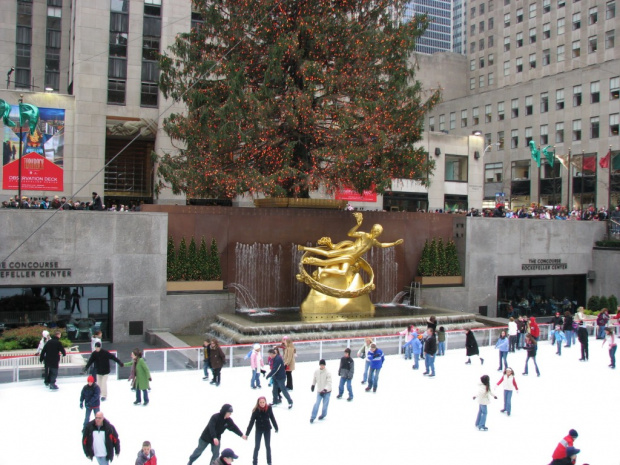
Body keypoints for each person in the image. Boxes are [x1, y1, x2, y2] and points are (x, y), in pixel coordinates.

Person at [298, 212, 403, 279]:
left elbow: (381, 245)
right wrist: (357, 225)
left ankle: (322, 270)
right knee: (328, 254)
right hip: (349, 251)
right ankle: (304, 248)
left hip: (352, 258)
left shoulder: (373, 242)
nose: (376, 233)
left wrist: (393, 244)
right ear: (372, 229)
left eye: (378, 232)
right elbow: (350, 234)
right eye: (376, 231)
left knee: (343, 272)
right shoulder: (363, 235)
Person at [245, 396, 278, 465]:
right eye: (260, 402)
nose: (262, 404)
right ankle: (254, 462)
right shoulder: (255, 411)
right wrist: (247, 433)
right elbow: (251, 422)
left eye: (263, 402)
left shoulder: (269, 408)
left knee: (268, 446)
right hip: (259, 430)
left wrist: (276, 427)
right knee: (257, 446)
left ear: (265, 402)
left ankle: (269, 462)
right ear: (258, 403)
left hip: (267, 429)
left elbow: (272, 418)